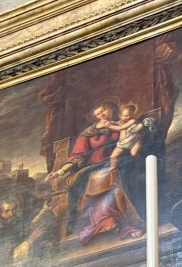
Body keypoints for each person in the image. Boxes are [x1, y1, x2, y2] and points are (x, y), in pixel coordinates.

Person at [45, 101, 145, 245]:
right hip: (94, 166)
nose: (102, 114)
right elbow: (77, 155)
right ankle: (105, 220)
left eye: (104, 110)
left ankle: (130, 221)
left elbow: (134, 138)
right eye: (98, 113)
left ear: (111, 109)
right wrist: (59, 172)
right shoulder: (88, 133)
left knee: (118, 174)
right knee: (98, 178)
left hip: (118, 160)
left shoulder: (121, 124)